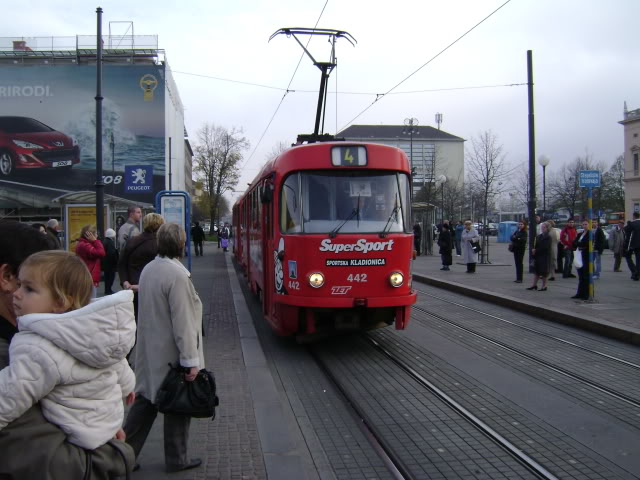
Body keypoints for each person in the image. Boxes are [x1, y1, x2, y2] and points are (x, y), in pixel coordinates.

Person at [0, 227, 134, 479]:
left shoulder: (35, 343)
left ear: (61, 301)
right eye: (22, 285)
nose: (20, 295)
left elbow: (11, 393)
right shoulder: (84, 332)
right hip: (94, 448)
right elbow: (115, 362)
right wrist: (118, 452)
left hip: (86, 433)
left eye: (29, 288)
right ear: (6, 277)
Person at [124, 223, 204, 473]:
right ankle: (177, 459)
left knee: (145, 403)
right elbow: (184, 322)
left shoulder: (150, 268)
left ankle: (122, 456)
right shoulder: (177, 275)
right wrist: (190, 360)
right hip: (171, 355)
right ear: (182, 244)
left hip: (150, 350)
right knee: (177, 405)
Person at [118, 213, 165, 320]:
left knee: (135, 320)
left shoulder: (132, 241)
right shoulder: (160, 244)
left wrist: (125, 281)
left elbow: (121, 263)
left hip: (132, 288)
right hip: (153, 291)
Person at [527, 221, 551, 291]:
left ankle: (544, 286)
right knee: (536, 271)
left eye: (544, 227)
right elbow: (535, 244)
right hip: (538, 256)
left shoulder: (548, 237)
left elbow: (545, 247)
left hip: (544, 256)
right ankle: (534, 285)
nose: (543, 229)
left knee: (544, 272)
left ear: (547, 228)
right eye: (542, 227)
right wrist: (533, 250)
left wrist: (536, 250)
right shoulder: (539, 236)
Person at [572, 220, 591, 299]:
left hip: (586, 256)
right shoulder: (580, 234)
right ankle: (579, 293)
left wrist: (579, 244)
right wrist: (578, 244)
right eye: (583, 224)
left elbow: (585, 243)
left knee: (586, 275)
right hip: (579, 254)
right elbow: (574, 242)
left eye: (586, 224)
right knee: (581, 275)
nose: (584, 226)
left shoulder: (590, 234)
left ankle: (586, 294)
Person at [101, 228, 119, 295]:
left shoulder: (105, 241)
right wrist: (116, 261)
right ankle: (108, 290)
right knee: (110, 277)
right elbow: (112, 254)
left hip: (106, 264)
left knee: (107, 278)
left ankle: (107, 289)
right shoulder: (110, 243)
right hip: (110, 265)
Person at [626, 212, 640, 281]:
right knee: (638, 259)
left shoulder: (632, 224)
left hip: (632, 244)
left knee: (628, 257)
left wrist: (628, 223)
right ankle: (637, 273)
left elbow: (626, 230)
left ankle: (635, 271)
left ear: (634, 216)